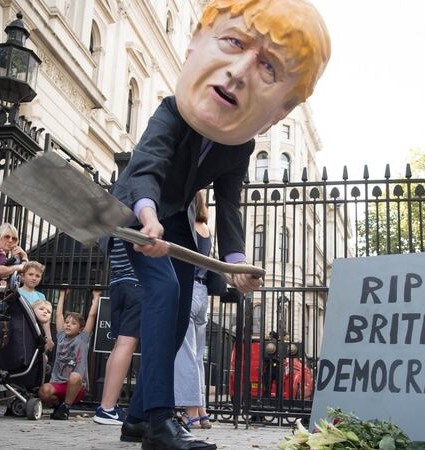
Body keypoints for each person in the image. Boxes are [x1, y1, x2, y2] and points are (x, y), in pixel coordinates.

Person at [113, 1, 329, 448]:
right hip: (133, 213)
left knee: (179, 308)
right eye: (233, 43)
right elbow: (146, 166)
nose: (237, 74)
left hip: (173, 218)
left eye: (268, 67)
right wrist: (148, 217)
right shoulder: (171, 110)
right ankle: (158, 421)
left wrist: (237, 261)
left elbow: (229, 204)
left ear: (280, 111)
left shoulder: (240, 145)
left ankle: (136, 417)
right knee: (166, 292)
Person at [93, 239, 142, 425]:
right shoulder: (136, 212)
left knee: (118, 345)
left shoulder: (111, 219)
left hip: (117, 283)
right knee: (127, 344)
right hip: (136, 283)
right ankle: (107, 408)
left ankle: (107, 406)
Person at [174, 191, 212, 429]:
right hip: (203, 293)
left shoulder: (189, 226)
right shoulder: (207, 229)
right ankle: (202, 412)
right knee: (198, 357)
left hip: (189, 291)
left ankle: (190, 412)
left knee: (185, 352)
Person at [39, 288, 98, 420]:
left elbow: (92, 317)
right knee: (43, 391)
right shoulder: (61, 337)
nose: (68, 325)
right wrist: (62, 295)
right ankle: (58, 405)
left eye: (73, 323)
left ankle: (65, 408)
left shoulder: (82, 339)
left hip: (76, 387)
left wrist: (96, 297)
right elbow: (58, 315)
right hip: (58, 383)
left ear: (81, 328)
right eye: (67, 322)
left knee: (75, 376)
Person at [19, 261, 54, 352]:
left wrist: (49, 338)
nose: (34, 278)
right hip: (19, 332)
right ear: (23, 276)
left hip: (35, 333)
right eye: (30, 274)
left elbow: (45, 319)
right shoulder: (16, 292)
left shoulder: (41, 296)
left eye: (37, 276)